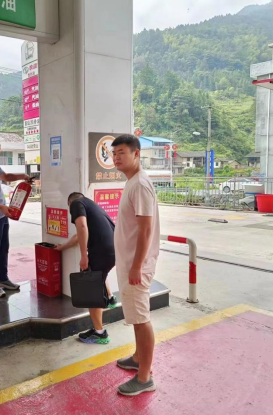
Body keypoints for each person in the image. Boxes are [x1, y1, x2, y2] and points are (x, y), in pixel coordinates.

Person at [111, 134, 160, 396]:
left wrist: (136, 266)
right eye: (114, 153)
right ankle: (138, 358)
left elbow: (145, 230)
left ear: (136, 154)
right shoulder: (132, 182)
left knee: (141, 320)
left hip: (136, 266)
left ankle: (144, 378)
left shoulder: (140, 184)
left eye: (121, 152)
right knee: (136, 316)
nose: (116, 158)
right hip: (130, 263)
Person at [56, 192, 117, 344]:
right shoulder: (93, 206)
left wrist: (84, 255)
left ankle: (100, 333)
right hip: (114, 251)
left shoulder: (76, 203)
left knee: (92, 291)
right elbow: (79, 234)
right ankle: (110, 298)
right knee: (97, 277)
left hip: (101, 252)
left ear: (70, 203)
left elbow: (82, 226)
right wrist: (62, 247)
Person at [0, 137, 30, 298]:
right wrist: (0, 207)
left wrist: (23, 176)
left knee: (4, 248)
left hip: (3, 214)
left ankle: (3, 279)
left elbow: (6, 176)